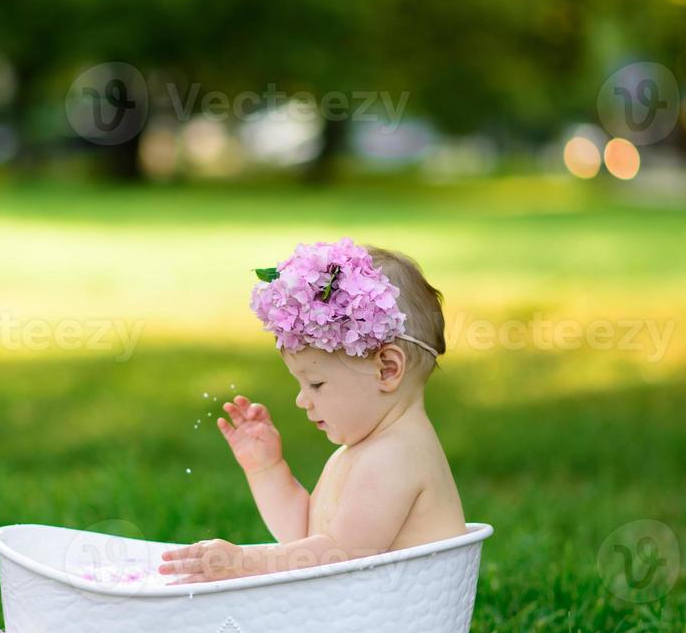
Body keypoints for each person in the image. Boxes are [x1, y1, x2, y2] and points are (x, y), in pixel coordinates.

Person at [160, 238, 466, 585]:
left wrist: (244, 561)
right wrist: (266, 470)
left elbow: (339, 555)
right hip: (366, 623)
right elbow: (305, 539)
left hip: (401, 627)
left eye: (316, 384)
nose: (301, 400)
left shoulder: (396, 456)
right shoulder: (359, 452)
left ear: (387, 370)